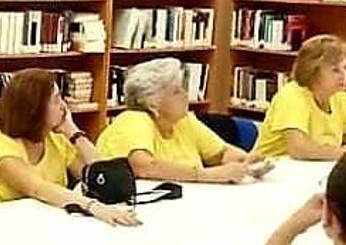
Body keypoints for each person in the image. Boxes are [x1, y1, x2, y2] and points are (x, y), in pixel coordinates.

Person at [0, 69, 139, 225]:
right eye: (56, 100)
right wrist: (93, 207)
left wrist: (73, 132)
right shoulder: (0, 145)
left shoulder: (56, 139)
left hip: (37, 222)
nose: (64, 106)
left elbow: (103, 176)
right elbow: (37, 188)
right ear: (35, 109)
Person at [95, 57, 256, 183]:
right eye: (176, 92)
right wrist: (207, 175)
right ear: (152, 103)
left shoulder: (184, 120)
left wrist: (248, 164)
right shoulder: (134, 119)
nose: (186, 95)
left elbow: (221, 154)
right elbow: (143, 166)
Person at [252, 35, 346, 162]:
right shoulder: (291, 96)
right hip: (272, 171)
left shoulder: (338, 96)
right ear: (313, 72)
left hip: (313, 170)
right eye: (335, 70)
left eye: (344, 68)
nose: (344, 76)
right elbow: (299, 149)